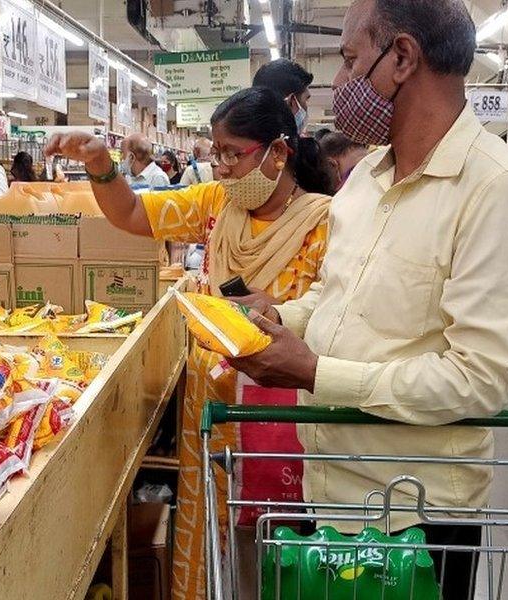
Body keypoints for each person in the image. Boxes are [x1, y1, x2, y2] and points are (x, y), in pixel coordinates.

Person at [229, 1, 508, 598]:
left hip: (415, 516)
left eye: (352, 60)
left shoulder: (499, 192)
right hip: (326, 490)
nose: (341, 82)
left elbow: (476, 379)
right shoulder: (367, 181)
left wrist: (314, 373)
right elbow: (337, 299)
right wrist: (277, 316)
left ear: (402, 57)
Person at [43, 86, 334, 600]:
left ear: (279, 152)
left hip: (283, 418)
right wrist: (99, 165)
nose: (220, 168)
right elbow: (133, 214)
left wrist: (278, 311)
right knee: (212, 541)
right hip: (213, 405)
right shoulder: (216, 206)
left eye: (232, 154)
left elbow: (331, 315)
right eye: (215, 153)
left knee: (278, 548)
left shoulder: (325, 223)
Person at [253, 58, 314, 135]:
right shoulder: (287, 145)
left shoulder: (243, 138)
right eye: (306, 100)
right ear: (291, 101)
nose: (307, 106)